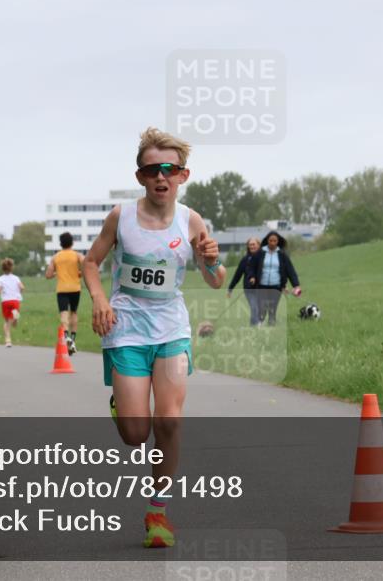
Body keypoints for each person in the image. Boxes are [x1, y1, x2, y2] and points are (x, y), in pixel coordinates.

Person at [83, 127, 225, 548]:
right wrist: (99, 299)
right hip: (126, 329)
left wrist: (211, 261)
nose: (161, 176)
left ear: (183, 175)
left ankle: (158, 512)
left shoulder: (191, 221)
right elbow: (90, 263)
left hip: (171, 330)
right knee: (135, 434)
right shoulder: (121, 217)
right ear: (140, 176)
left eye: (169, 169)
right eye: (151, 170)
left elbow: (215, 280)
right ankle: (122, 406)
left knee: (169, 420)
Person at [247, 230, 301, 326]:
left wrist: (296, 285)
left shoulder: (282, 254)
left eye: (274, 241)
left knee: (272, 307)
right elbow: (252, 267)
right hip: (262, 285)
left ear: (278, 241)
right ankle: (260, 324)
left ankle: (272, 324)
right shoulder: (260, 252)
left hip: (276, 285)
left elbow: (290, 270)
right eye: (270, 241)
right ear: (267, 240)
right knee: (262, 306)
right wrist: (252, 277)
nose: (272, 243)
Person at [46, 231, 84, 354]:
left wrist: (57, 273)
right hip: (75, 289)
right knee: (74, 313)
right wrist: (79, 273)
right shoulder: (77, 255)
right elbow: (86, 267)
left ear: (60, 243)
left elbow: (48, 275)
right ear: (72, 242)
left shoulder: (55, 257)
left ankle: (66, 336)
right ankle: (73, 340)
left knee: (63, 313)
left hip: (62, 289)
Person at [226, 237, 261, 326]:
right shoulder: (245, 260)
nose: (252, 246)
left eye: (253, 244)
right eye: (250, 245)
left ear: (258, 245)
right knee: (254, 307)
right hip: (249, 289)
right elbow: (237, 275)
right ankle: (256, 325)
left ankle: (254, 325)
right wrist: (230, 289)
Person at [0, 258, 25, 348]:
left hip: (6, 302)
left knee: (7, 321)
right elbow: (22, 287)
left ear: (2, 268)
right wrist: (19, 292)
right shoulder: (16, 278)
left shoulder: (0, 279)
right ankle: (15, 319)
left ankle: (8, 340)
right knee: (15, 315)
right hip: (15, 301)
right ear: (12, 268)